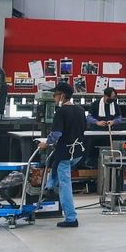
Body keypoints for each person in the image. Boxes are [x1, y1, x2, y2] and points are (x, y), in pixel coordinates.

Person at [39, 80, 89, 228]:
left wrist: (46, 144)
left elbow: (56, 133)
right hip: (79, 153)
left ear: (62, 96)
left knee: (65, 185)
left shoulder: (60, 112)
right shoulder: (80, 110)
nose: (54, 98)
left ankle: (71, 218)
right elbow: (79, 130)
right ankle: (49, 187)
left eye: (55, 95)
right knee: (56, 167)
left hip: (66, 153)